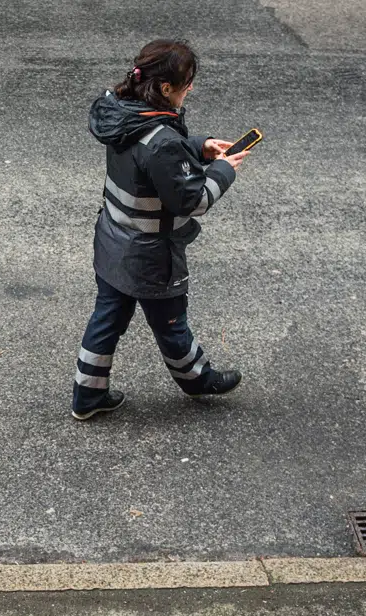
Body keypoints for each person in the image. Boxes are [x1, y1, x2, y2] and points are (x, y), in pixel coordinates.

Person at [71, 38, 252, 420]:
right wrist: (223, 169)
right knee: (171, 322)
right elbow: (193, 200)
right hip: (150, 254)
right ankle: (197, 379)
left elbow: (147, 156)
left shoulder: (123, 115)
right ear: (166, 88)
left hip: (112, 240)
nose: (191, 89)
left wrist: (197, 146)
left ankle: (86, 396)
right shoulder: (161, 139)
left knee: (106, 320)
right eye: (188, 83)